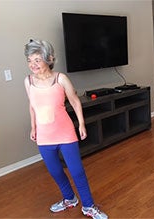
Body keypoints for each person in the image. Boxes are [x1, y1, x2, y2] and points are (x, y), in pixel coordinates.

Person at [24, 39, 108, 219]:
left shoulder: (60, 78)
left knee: (77, 171)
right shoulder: (28, 81)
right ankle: (69, 198)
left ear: (48, 58)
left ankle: (88, 206)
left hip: (65, 133)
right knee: (55, 171)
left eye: (37, 60)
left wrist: (82, 124)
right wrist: (33, 127)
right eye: (30, 60)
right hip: (44, 136)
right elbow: (32, 106)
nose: (33, 64)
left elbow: (75, 101)